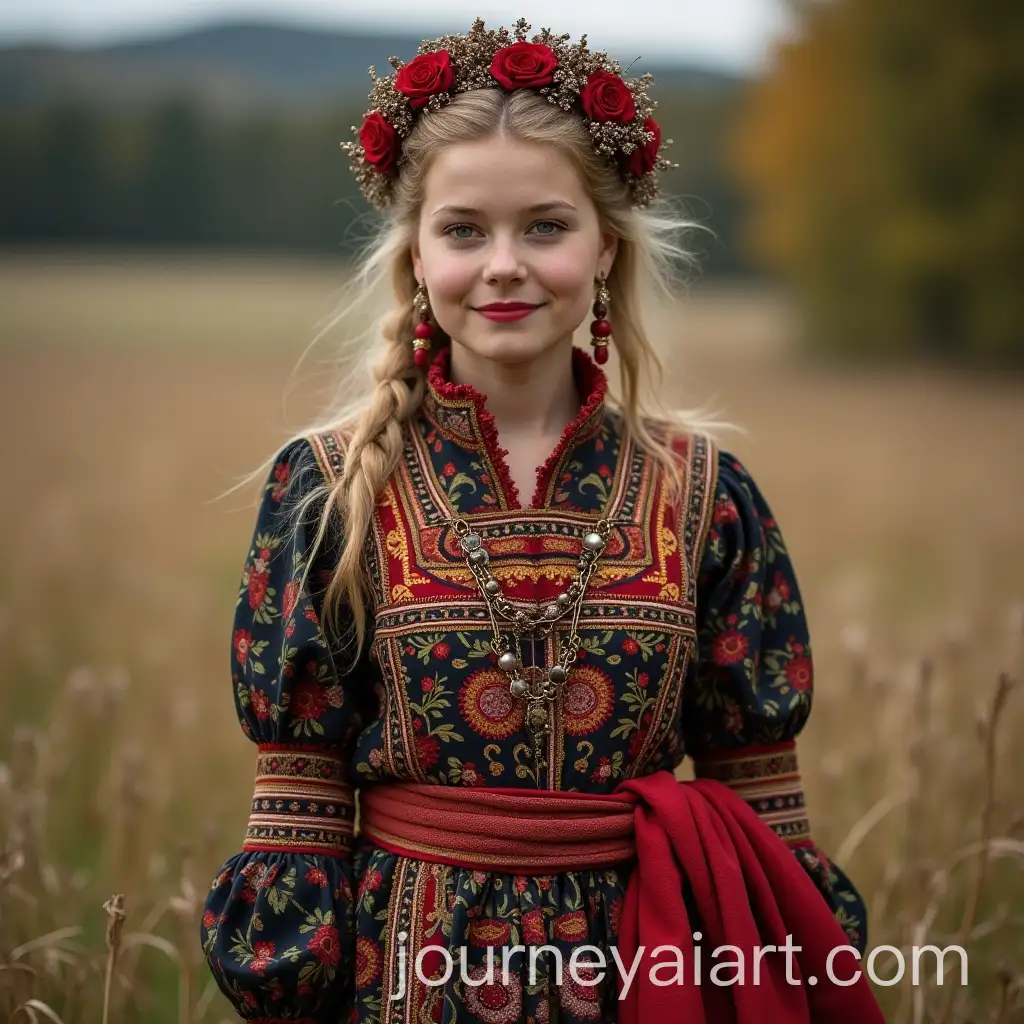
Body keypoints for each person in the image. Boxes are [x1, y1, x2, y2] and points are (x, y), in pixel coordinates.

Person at [199, 18, 885, 1023]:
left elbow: (762, 820)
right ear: (418, 253)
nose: (504, 264)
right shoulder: (329, 491)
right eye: (465, 228)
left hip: (648, 974)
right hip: (406, 978)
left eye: (545, 227)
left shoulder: (706, 496)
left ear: (605, 246)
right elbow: (297, 817)